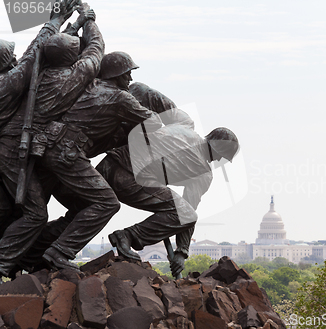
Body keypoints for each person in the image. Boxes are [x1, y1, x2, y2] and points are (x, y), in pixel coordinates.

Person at [15, 54, 162, 272]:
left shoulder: (88, 86)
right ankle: (59, 253)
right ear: (117, 75)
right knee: (108, 204)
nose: (130, 78)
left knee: (83, 206)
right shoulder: (121, 98)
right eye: (127, 73)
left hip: (50, 148)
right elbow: (154, 122)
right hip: (67, 154)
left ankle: (30, 255)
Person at [99, 83, 239, 278]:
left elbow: (141, 90)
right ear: (220, 150)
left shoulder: (184, 123)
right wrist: (181, 252)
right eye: (224, 157)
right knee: (187, 213)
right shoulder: (204, 173)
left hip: (109, 163)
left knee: (85, 209)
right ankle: (127, 236)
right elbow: (186, 216)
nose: (220, 161)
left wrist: (126, 98)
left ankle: (52, 245)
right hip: (128, 179)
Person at [0, 0, 87, 277]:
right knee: (35, 214)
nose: (15, 59)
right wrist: (55, 19)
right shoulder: (7, 84)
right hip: (9, 151)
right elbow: (33, 56)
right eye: (10, 58)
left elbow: (39, 56)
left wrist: (71, 28)